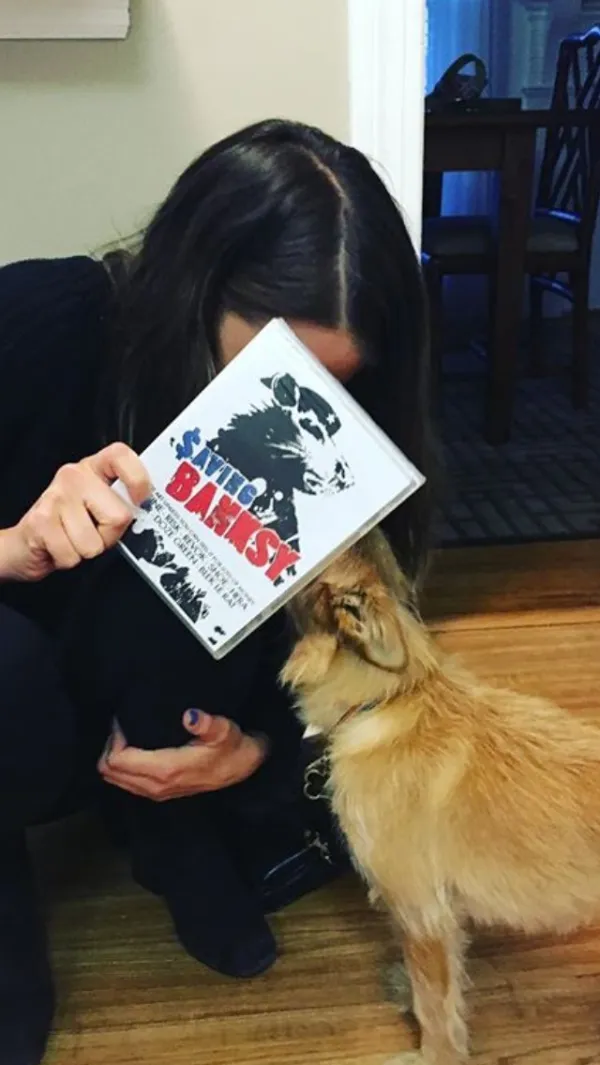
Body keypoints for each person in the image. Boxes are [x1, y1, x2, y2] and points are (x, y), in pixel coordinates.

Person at [0, 118, 433, 1065]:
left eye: (336, 391)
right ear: (192, 292)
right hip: (19, 700)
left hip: (171, 697)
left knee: (233, 552)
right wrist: (13, 545)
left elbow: (373, 671)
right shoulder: (42, 321)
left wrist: (261, 755)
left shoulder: (354, 435)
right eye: (268, 378)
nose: (300, 412)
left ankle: (171, 818)